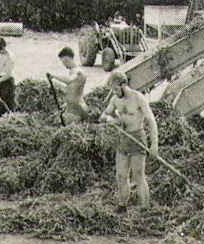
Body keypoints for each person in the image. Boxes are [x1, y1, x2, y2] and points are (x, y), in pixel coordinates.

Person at [100, 69, 158, 209]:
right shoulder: (115, 100)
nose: (114, 92)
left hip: (137, 138)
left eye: (115, 89)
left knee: (138, 176)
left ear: (123, 85)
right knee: (121, 176)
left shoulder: (138, 98)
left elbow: (151, 121)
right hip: (122, 140)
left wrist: (154, 144)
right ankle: (122, 206)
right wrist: (109, 119)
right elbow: (103, 116)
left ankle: (145, 208)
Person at [56, 46, 88, 123]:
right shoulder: (74, 71)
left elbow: (69, 80)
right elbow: (73, 91)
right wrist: (66, 104)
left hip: (76, 110)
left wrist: (53, 76)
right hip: (74, 107)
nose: (63, 64)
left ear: (67, 58)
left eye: (63, 61)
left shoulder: (77, 71)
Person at [0, 36, 16, 116]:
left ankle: (10, 120)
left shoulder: (10, 56)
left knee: (8, 103)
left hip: (7, 81)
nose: (1, 51)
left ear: (5, 46)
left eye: (2, 49)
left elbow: (8, 75)